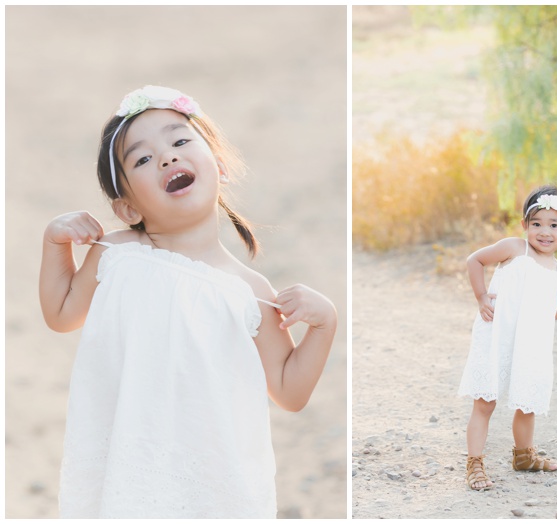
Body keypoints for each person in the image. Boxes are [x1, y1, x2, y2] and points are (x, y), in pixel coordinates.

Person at [38, 86, 337, 518]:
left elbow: (290, 392)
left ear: (219, 165)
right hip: (127, 463)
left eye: (180, 141)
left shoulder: (248, 290)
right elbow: (61, 314)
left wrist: (325, 324)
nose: (167, 158)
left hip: (212, 478)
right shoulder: (117, 254)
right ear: (127, 209)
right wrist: (56, 241)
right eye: (142, 159)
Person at [457, 185, 557, 491]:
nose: (544, 232)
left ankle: (524, 456)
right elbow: (475, 260)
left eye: (553, 225)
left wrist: (535, 321)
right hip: (497, 334)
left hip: (531, 345)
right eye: (536, 224)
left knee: (528, 402)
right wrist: (482, 296)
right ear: (525, 225)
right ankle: (475, 464)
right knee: (485, 401)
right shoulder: (514, 249)